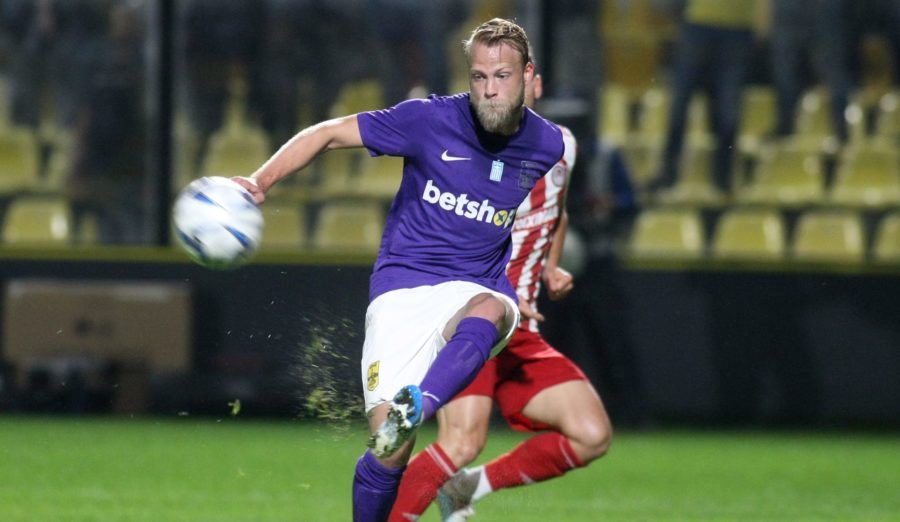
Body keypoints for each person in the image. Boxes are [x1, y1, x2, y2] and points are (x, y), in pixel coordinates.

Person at [232, 18, 564, 522]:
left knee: (490, 308)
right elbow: (329, 133)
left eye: (502, 76)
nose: (490, 89)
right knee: (389, 454)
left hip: (477, 287)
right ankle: (404, 425)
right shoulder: (428, 120)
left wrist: (547, 265)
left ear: (528, 76)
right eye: (479, 77)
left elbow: (553, 209)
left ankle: (420, 404)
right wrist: (261, 180)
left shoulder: (547, 145)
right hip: (402, 290)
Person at [385, 73, 612, 522]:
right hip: (477, 319)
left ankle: (466, 487)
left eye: (514, 77)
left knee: (591, 434)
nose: (502, 90)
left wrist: (550, 266)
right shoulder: (470, 154)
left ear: (537, 85)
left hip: (521, 332)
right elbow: (446, 240)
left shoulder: (562, 145)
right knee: (461, 441)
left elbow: (558, 210)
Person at [651, 0, 761, 196]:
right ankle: (669, 174)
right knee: (679, 109)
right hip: (700, 25)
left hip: (735, 29)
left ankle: (722, 179)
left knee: (728, 115)